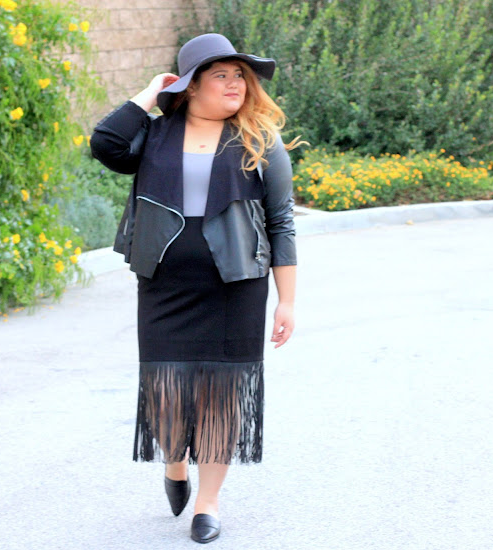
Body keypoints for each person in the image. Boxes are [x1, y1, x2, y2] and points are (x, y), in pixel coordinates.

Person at [90, 33, 299, 545]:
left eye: (239, 75)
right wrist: (150, 92)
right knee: (166, 395)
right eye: (219, 75)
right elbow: (106, 144)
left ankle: (208, 503)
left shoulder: (260, 141)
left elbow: (281, 222)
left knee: (221, 397)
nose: (234, 84)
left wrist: (287, 300)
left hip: (236, 288)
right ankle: (174, 462)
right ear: (190, 86)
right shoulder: (155, 135)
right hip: (165, 288)